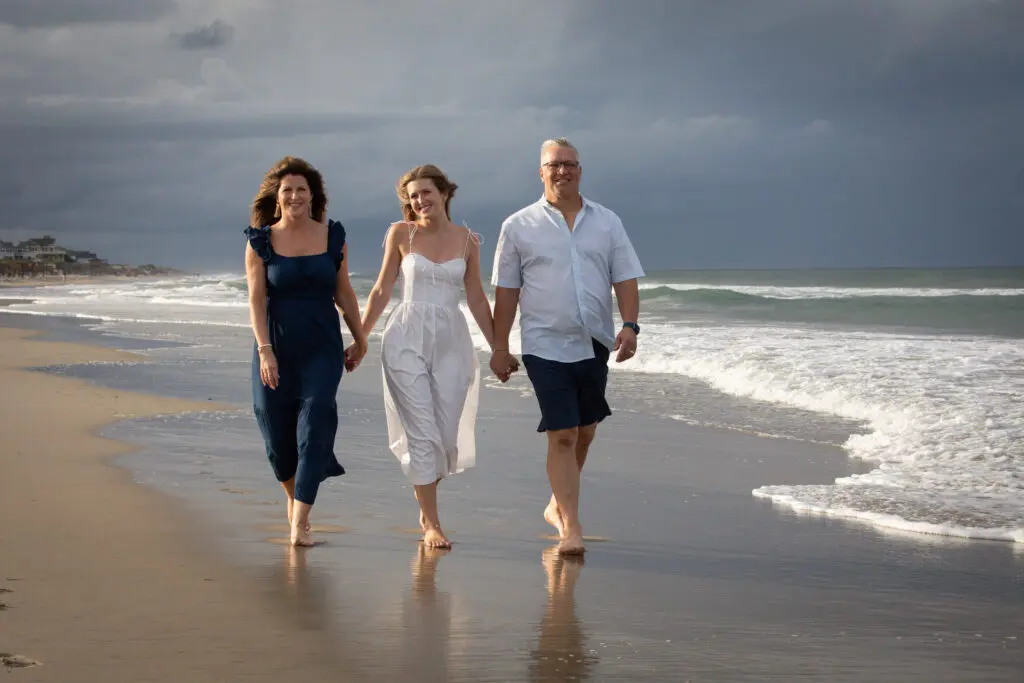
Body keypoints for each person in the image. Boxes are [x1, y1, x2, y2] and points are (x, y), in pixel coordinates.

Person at [489, 138, 644, 555]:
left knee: (586, 431)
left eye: (570, 164)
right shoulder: (517, 226)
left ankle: (557, 504)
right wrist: (499, 348)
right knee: (562, 433)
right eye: (554, 165)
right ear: (540, 172)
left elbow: (625, 278)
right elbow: (506, 293)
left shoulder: (607, 221)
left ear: (580, 170)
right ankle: (570, 527)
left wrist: (630, 325)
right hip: (542, 343)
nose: (563, 171)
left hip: (594, 340)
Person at [360, 164, 516, 549]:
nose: (420, 201)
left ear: (445, 193)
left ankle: (424, 493)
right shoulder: (401, 234)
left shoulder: (468, 241)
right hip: (405, 336)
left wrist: (499, 347)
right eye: (413, 196)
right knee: (422, 432)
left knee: (445, 435)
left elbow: (478, 298)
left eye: (427, 193)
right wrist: (360, 337)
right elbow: (381, 290)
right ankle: (431, 523)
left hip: (451, 340)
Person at [244, 156, 368, 548]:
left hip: (321, 347)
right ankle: (295, 498)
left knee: (315, 423)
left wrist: (361, 338)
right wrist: (265, 350)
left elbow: (344, 292)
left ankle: (299, 521)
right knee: (276, 435)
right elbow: (255, 299)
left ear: (312, 196)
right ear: (277, 199)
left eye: (301, 189)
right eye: (287, 190)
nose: (295, 196)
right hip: (276, 346)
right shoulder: (261, 241)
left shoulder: (332, 238)